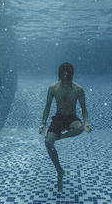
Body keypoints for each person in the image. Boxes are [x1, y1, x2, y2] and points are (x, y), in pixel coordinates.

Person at [39, 62, 92, 192]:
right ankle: (60, 171)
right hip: (59, 117)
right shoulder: (53, 88)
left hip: (71, 118)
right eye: (63, 73)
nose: (65, 76)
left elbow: (84, 109)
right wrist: (43, 123)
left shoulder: (78, 89)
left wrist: (86, 123)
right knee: (48, 142)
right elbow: (47, 107)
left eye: (68, 73)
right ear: (60, 74)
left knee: (79, 128)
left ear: (72, 74)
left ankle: (60, 137)